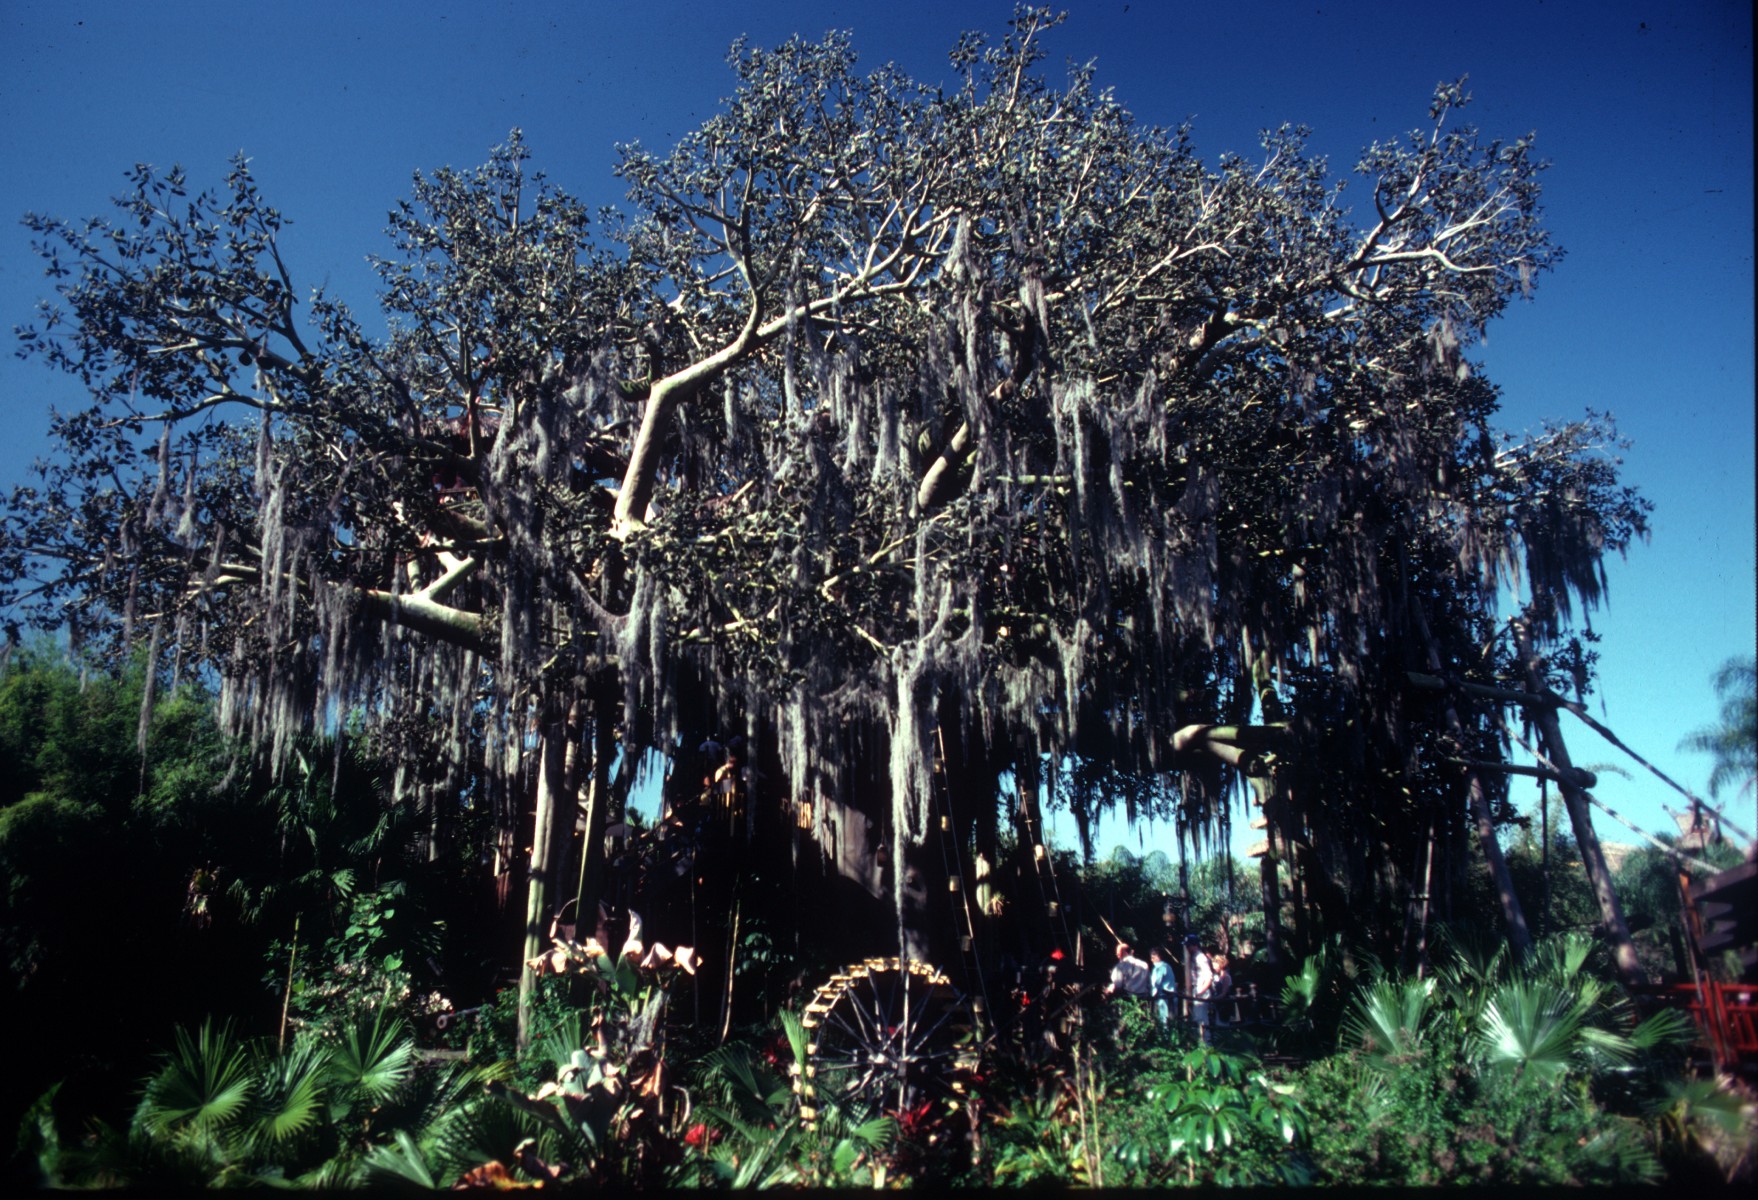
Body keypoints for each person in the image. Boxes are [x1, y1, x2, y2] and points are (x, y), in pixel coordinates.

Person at [1187, 935, 1215, 1040]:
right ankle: (1201, 1042)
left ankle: (1206, 1043)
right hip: (1197, 990)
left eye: (1189, 946)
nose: (1187, 948)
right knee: (1197, 1018)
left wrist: (1201, 992)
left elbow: (1209, 976)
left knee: (1201, 1018)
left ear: (1194, 945)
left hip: (1201, 991)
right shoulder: (1194, 957)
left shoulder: (1201, 958)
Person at [1149, 946, 1177, 1027]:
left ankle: (1164, 1038)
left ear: (1158, 957)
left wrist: (1151, 993)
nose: (1151, 960)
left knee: (1163, 1020)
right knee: (1170, 1020)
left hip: (1163, 997)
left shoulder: (1159, 967)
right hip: (1171, 996)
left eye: (1153, 957)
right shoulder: (1167, 966)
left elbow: (1155, 982)